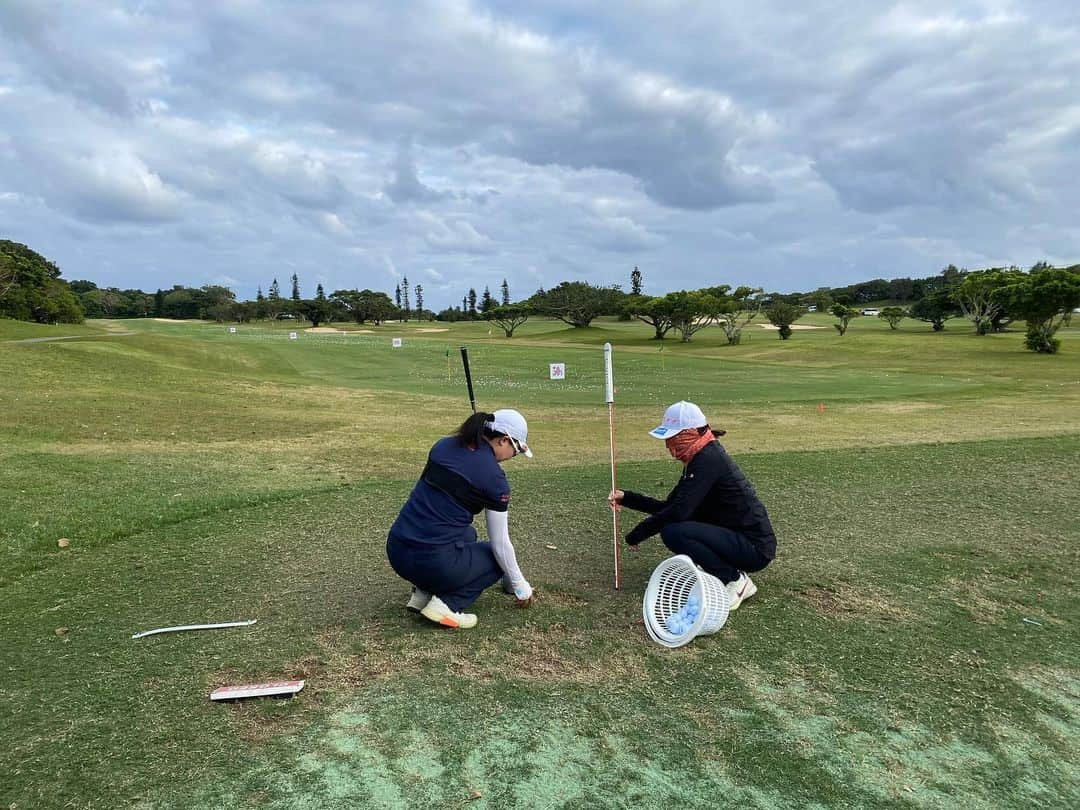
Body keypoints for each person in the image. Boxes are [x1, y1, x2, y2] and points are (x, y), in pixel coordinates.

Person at [608, 401, 776, 610]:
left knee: (674, 532)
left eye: (673, 439)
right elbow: (670, 506)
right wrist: (627, 497)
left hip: (754, 547)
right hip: (736, 537)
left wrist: (637, 534)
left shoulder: (708, 460)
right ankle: (724, 571)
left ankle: (734, 580)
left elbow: (677, 513)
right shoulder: (700, 458)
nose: (669, 446)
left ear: (689, 434)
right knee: (678, 524)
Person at [387, 409, 535, 629]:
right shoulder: (495, 481)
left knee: (468, 534)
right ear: (504, 440)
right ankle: (446, 605)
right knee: (495, 560)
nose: (513, 457)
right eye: (516, 451)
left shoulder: (442, 445)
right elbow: (500, 545)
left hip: (397, 551)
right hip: (432, 562)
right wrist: (521, 586)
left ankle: (422, 594)